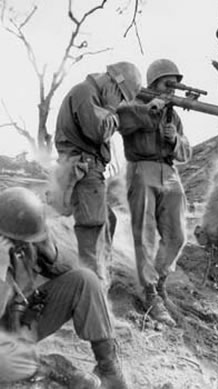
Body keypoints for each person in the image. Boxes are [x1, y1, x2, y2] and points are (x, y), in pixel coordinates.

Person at [0, 187, 128, 389]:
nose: (23, 247)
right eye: (19, 242)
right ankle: (52, 368)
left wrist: (49, 252)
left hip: (22, 319)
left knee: (84, 280)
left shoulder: (24, 241)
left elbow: (67, 271)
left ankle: (109, 369)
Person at [117, 59, 192, 326]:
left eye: (175, 84)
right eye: (166, 83)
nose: (172, 89)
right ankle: (149, 293)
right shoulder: (136, 103)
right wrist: (150, 111)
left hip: (169, 172)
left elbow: (186, 152)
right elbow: (121, 121)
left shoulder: (174, 114)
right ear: (152, 83)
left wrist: (176, 140)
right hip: (142, 170)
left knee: (178, 234)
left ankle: (160, 282)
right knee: (145, 234)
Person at [54, 61, 142, 285]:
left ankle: (100, 274)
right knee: (92, 230)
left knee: (108, 220)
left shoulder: (91, 94)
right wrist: (112, 109)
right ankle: (94, 287)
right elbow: (98, 131)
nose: (120, 102)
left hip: (87, 170)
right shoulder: (86, 93)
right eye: (121, 96)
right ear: (114, 83)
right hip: (84, 171)